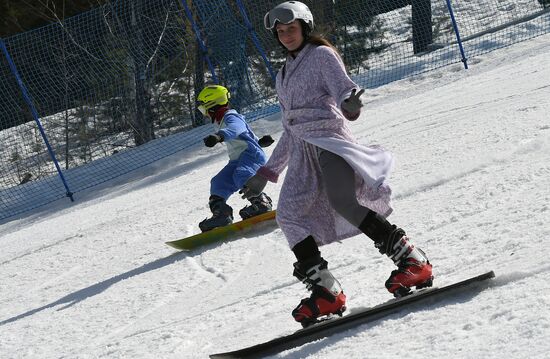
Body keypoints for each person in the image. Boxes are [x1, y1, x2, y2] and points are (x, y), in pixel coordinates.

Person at [240, 1, 433, 326]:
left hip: (328, 142)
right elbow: (290, 128)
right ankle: (326, 291)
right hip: (303, 155)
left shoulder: (320, 56)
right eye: (281, 32)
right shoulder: (283, 75)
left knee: (344, 201)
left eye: (292, 29)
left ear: (305, 27)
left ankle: (413, 262)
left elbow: (345, 93)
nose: (286, 35)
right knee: (288, 215)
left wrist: (350, 104)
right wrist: (268, 172)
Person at [197, 84, 274, 232]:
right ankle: (222, 214)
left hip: (251, 155)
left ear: (211, 105)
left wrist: (219, 136)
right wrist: (260, 141)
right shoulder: (220, 121)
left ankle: (261, 202)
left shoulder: (231, 116)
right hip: (237, 158)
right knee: (219, 182)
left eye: (203, 108)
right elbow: (244, 134)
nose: (204, 113)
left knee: (242, 174)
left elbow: (236, 129)